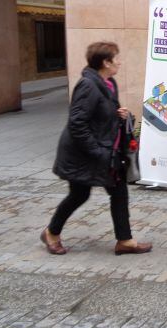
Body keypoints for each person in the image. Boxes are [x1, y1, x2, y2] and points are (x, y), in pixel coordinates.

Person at [43, 42, 152, 256]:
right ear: (105, 62)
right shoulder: (88, 85)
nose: (119, 62)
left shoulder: (108, 83)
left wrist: (120, 115)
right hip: (85, 155)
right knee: (79, 195)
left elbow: (101, 115)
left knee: (119, 193)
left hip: (107, 152)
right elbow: (77, 124)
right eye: (116, 58)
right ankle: (51, 233)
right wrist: (99, 152)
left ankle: (125, 241)